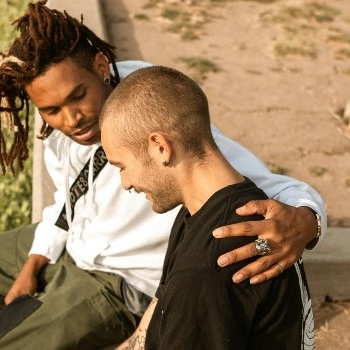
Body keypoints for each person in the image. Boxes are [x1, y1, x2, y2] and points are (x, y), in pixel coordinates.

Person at [0, 2, 325, 348]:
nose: (71, 118)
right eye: (52, 109)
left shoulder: (149, 111)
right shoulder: (63, 129)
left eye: (78, 96)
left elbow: (231, 175)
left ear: (101, 66)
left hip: (118, 281)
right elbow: (67, 200)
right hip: (80, 245)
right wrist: (36, 260)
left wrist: (307, 222)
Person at [102, 66, 315, 350]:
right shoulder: (216, 207)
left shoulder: (205, 271)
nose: (125, 183)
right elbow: (151, 324)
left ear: (160, 147)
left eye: (122, 167)